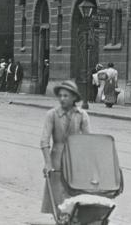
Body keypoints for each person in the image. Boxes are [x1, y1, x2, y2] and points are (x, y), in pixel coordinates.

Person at [39, 80, 91, 215]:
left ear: (74, 97)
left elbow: (88, 141)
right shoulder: (52, 114)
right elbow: (44, 140)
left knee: (74, 197)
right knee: (58, 198)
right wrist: (48, 163)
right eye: (60, 95)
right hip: (57, 159)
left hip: (75, 159)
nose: (62, 99)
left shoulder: (82, 115)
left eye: (66, 96)